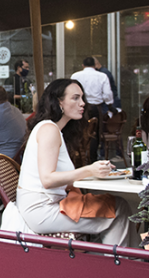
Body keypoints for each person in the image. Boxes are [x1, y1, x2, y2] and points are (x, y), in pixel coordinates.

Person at [15, 79, 139, 247]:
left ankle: (127, 264)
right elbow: (47, 179)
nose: (83, 103)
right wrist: (90, 170)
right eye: (75, 98)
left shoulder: (52, 129)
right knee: (118, 209)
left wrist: (92, 172)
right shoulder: (49, 130)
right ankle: (119, 267)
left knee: (119, 205)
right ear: (59, 102)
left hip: (47, 204)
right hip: (42, 211)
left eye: (82, 98)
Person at [71, 57, 114, 161]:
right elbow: (107, 94)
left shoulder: (75, 76)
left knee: (79, 130)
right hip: (96, 107)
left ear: (82, 65)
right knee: (94, 133)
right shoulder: (102, 76)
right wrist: (110, 106)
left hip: (80, 106)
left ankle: (79, 157)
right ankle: (93, 158)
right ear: (95, 65)